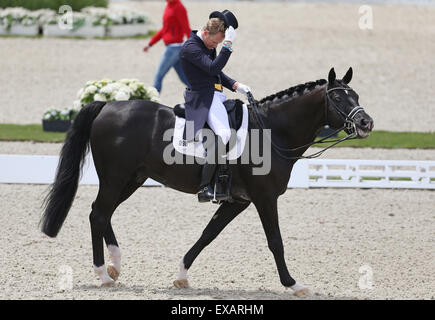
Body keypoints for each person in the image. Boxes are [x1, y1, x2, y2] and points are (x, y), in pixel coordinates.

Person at [179, 10, 251, 203]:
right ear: (206, 33)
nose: (215, 46)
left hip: (216, 94)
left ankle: (226, 176)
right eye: (215, 42)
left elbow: (215, 72)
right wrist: (227, 45)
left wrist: (235, 85)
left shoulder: (206, 43)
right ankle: (204, 187)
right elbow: (212, 68)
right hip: (204, 97)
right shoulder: (190, 48)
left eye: (219, 43)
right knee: (225, 133)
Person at [143, 0, 190, 93]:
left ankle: (153, 101)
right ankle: (204, 92)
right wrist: (150, 43)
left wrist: (195, 45)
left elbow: (186, 27)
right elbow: (165, 28)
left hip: (174, 49)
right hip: (173, 48)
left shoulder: (179, 7)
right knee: (184, 77)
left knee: (158, 76)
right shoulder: (169, 5)